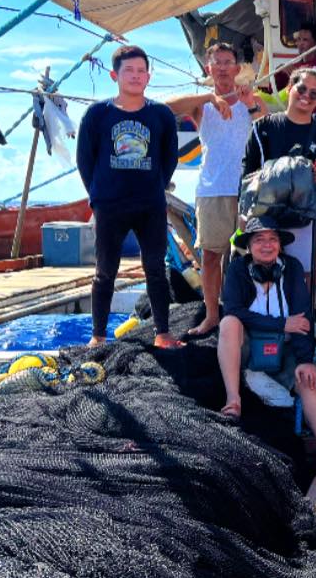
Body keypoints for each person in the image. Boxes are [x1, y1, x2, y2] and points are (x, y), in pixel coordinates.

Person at [216, 217, 316, 475]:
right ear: (249, 246)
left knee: (307, 380)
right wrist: (282, 324)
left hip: (284, 348)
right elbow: (233, 309)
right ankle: (233, 400)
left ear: (280, 245)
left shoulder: (292, 268)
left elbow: (302, 318)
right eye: (259, 240)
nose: (267, 245)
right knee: (229, 323)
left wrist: (305, 359)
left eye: (272, 239)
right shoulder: (238, 269)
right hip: (248, 344)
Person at [76, 44, 181, 349]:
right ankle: (98, 336)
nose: (136, 76)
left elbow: (169, 158)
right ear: (115, 75)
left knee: (155, 269)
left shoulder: (161, 114)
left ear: (149, 76)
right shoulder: (97, 114)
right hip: (110, 206)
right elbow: (85, 160)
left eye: (141, 71)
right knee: (105, 271)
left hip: (150, 205)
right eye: (129, 71)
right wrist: (98, 196)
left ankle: (163, 333)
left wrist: (156, 186)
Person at [166, 42, 270, 336]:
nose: (223, 67)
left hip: (249, 189)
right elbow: (166, 108)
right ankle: (212, 315)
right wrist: (209, 96)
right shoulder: (201, 105)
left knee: (254, 255)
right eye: (217, 62)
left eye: (228, 62)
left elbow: (267, 130)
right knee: (211, 256)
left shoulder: (252, 100)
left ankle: (252, 313)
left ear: (237, 69)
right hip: (211, 189)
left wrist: (250, 104)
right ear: (208, 68)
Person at [243, 66, 316, 276]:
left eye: (314, 93)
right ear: (289, 88)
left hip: (304, 218)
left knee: (302, 274)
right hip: (264, 216)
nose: (306, 96)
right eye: (301, 89)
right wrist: (243, 215)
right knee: (261, 275)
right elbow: (247, 171)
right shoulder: (262, 127)